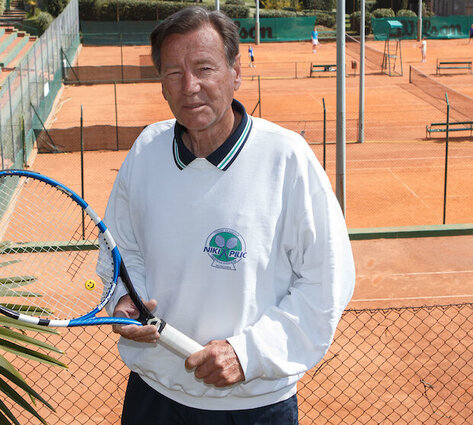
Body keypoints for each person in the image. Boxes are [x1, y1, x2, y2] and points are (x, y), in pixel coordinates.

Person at [104, 7, 356, 424]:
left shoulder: (287, 157)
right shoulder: (146, 150)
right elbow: (122, 248)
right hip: (154, 396)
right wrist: (126, 299)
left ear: (236, 72)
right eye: (173, 73)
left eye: (204, 68)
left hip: (253, 407)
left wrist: (247, 353)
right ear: (162, 85)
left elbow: (327, 280)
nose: (190, 86)